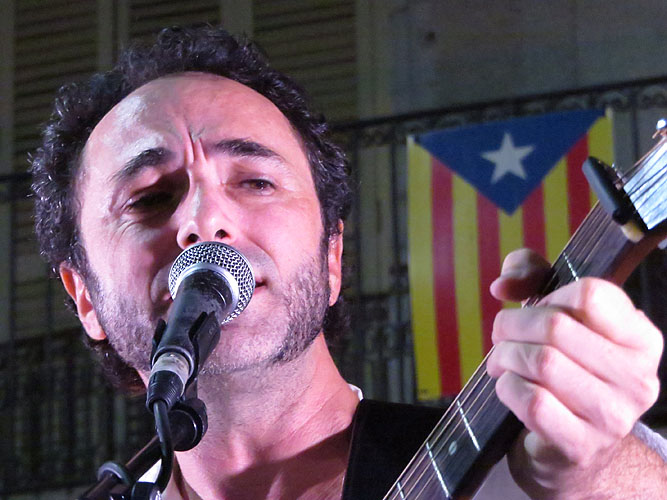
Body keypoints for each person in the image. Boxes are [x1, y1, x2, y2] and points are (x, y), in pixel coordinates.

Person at [30, 26, 666, 499]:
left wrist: (598, 469)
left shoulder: (512, 473)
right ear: (84, 296)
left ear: (332, 257)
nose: (204, 220)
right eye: (148, 198)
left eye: (255, 181)